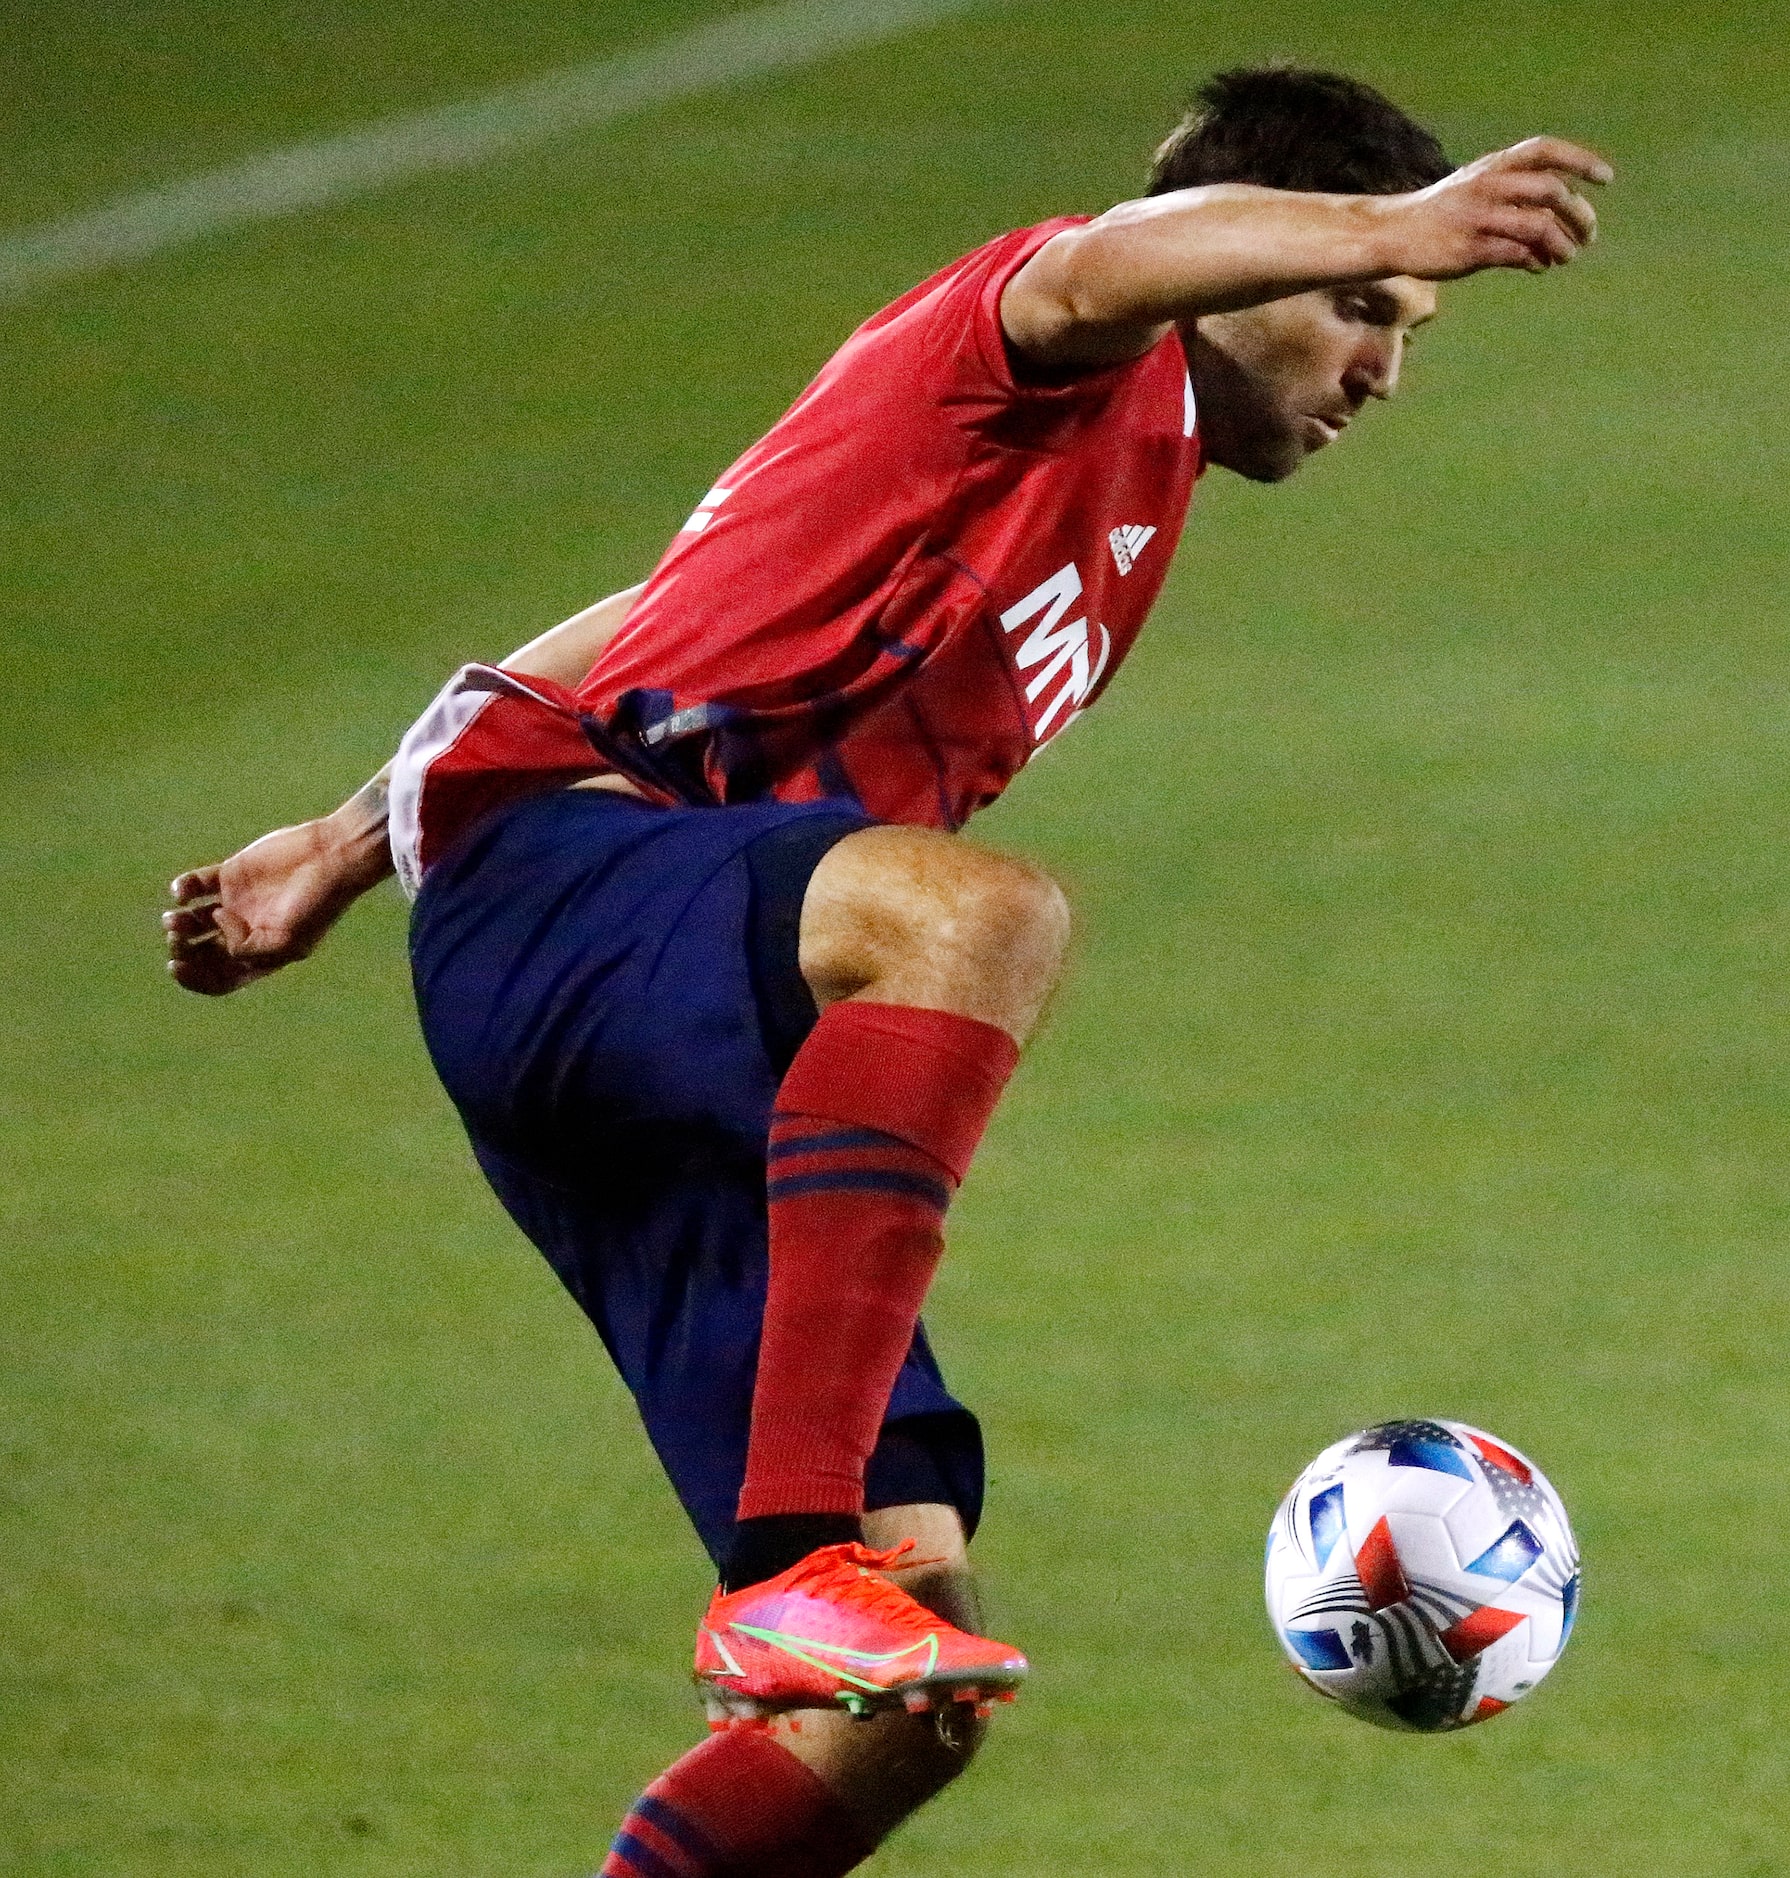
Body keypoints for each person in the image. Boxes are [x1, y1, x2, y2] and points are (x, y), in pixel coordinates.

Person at [164, 66, 1610, 1878]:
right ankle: (789, 1572)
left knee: (900, 1704)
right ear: (1230, 260)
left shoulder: (1119, 482)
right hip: (580, 893)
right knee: (977, 918)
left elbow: (670, 601)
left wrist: (339, 835)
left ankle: (818, 1598)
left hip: (678, 1018)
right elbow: (1094, 264)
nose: (1382, 362)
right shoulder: (1040, 347)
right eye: (1359, 311)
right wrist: (1394, 222)